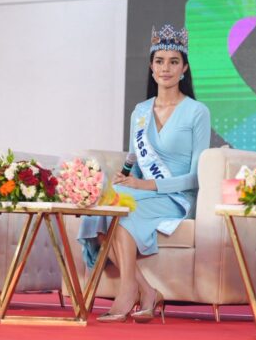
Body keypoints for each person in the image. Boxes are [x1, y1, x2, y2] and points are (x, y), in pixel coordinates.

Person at [77, 24, 211, 324]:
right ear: (151, 67)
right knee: (101, 209)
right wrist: (125, 178)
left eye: (173, 62)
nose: (166, 68)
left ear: (184, 68)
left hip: (177, 197)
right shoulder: (139, 111)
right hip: (142, 191)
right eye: (159, 61)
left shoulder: (196, 111)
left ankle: (128, 291)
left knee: (121, 208)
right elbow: (134, 161)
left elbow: (196, 177)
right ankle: (147, 291)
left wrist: (144, 184)